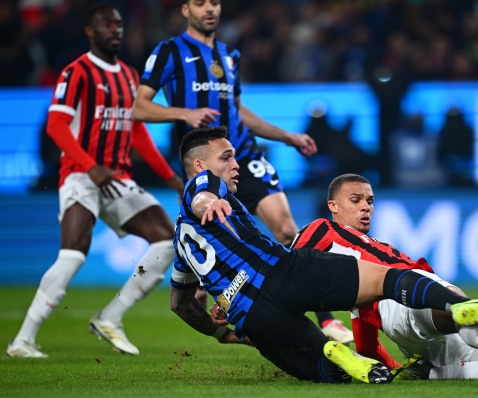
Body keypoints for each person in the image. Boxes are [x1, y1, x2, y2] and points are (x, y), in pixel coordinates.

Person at [169, 126, 478, 384]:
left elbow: (180, 304)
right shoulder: (203, 188)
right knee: (386, 278)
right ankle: (455, 306)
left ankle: (337, 356)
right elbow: (203, 193)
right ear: (199, 166)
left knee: (323, 372)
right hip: (281, 271)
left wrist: (221, 332)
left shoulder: (180, 243)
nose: (236, 165)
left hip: (249, 315)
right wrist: (209, 201)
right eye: (228, 157)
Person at [132, 0, 350, 343]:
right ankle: (235, 324)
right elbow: (139, 106)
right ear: (185, 9)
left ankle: (326, 320)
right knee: (213, 248)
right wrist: (183, 114)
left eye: (215, 2)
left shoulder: (229, 55)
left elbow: (235, 110)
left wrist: (286, 135)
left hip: (244, 155)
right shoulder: (169, 52)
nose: (210, 9)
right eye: (201, 3)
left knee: (287, 228)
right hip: (206, 168)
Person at [6, 5, 184, 358]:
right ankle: (22, 341)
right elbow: (56, 126)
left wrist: (170, 177)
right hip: (81, 177)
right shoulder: (76, 72)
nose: (115, 30)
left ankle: (111, 317)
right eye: (107, 24)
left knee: (168, 242)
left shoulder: (131, 76)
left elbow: (136, 132)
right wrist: (90, 167)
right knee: (72, 256)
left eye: (119, 24)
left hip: (117, 179)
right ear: (90, 31)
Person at [290, 174, 478, 379]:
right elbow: (287, 268)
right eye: (356, 200)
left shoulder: (366, 260)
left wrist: (393, 368)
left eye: (370, 201)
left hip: (410, 329)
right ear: (332, 205)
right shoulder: (321, 230)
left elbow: (365, 340)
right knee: (455, 304)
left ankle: (434, 373)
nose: (365, 207)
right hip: (401, 299)